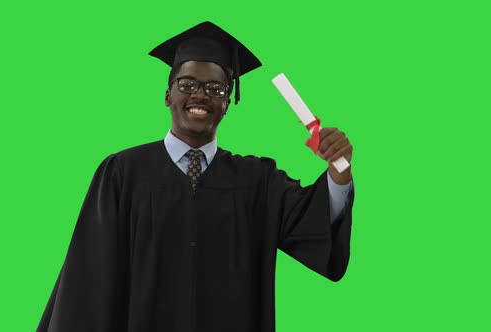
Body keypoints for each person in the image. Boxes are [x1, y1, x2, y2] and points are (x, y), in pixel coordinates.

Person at [37, 21, 354, 332]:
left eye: (216, 88)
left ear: (227, 103)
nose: (200, 95)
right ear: (167, 95)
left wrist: (339, 168)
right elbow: (88, 277)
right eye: (187, 84)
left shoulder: (258, 180)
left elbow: (314, 224)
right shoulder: (122, 173)